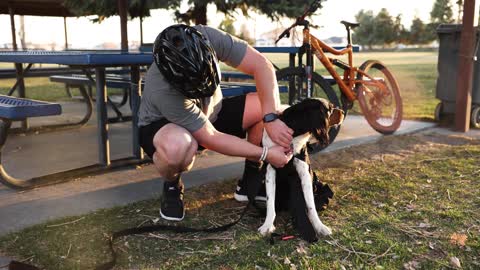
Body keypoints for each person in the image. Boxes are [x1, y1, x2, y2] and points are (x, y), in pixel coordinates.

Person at [138, 24, 293, 221]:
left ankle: (250, 181)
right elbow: (210, 137)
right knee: (180, 146)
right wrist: (266, 153)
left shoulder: (208, 36)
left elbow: (262, 66)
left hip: (211, 112)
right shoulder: (161, 88)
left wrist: (270, 118)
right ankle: (172, 183)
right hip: (165, 126)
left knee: (276, 109)